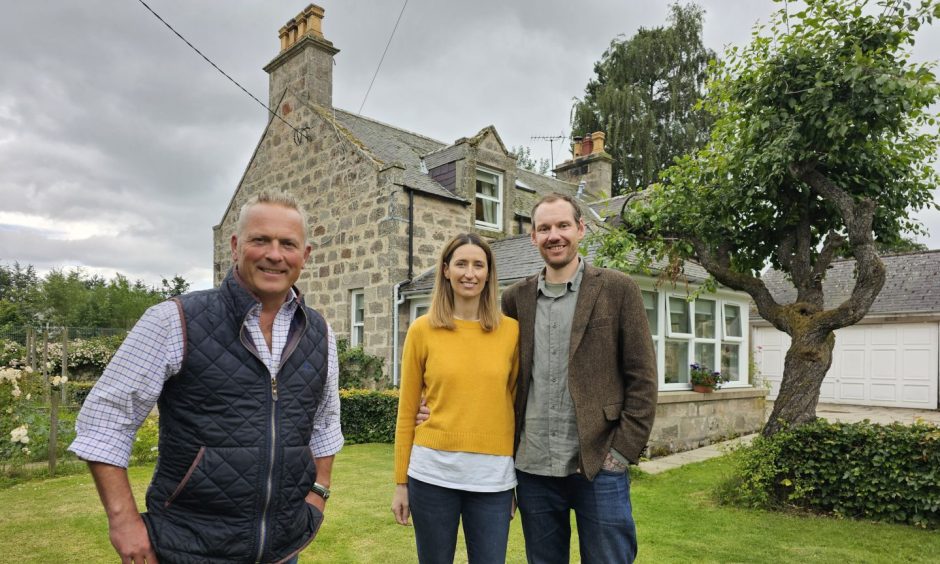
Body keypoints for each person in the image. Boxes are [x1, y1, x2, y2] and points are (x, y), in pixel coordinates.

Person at [69, 191, 343, 564]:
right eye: (260, 240)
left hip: (282, 548)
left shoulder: (319, 333)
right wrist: (123, 523)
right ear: (235, 246)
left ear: (305, 256)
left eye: (287, 244)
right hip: (189, 547)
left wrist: (319, 493)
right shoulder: (175, 320)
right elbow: (105, 420)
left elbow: (325, 421)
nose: (274, 254)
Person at [418, 193, 657, 563]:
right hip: (534, 469)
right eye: (544, 228)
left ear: (580, 229)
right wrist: (434, 404)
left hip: (597, 462)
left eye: (562, 225)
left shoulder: (617, 288)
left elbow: (642, 378)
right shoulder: (516, 299)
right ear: (533, 237)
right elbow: (496, 376)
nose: (554, 235)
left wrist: (621, 452)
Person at [391, 232, 520, 564]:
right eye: (461, 264)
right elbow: (406, 412)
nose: (470, 273)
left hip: (493, 479)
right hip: (431, 474)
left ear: (489, 273)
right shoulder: (422, 330)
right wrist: (401, 482)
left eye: (479, 265)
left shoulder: (511, 333)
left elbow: (517, 406)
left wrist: (517, 479)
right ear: (446, 270)